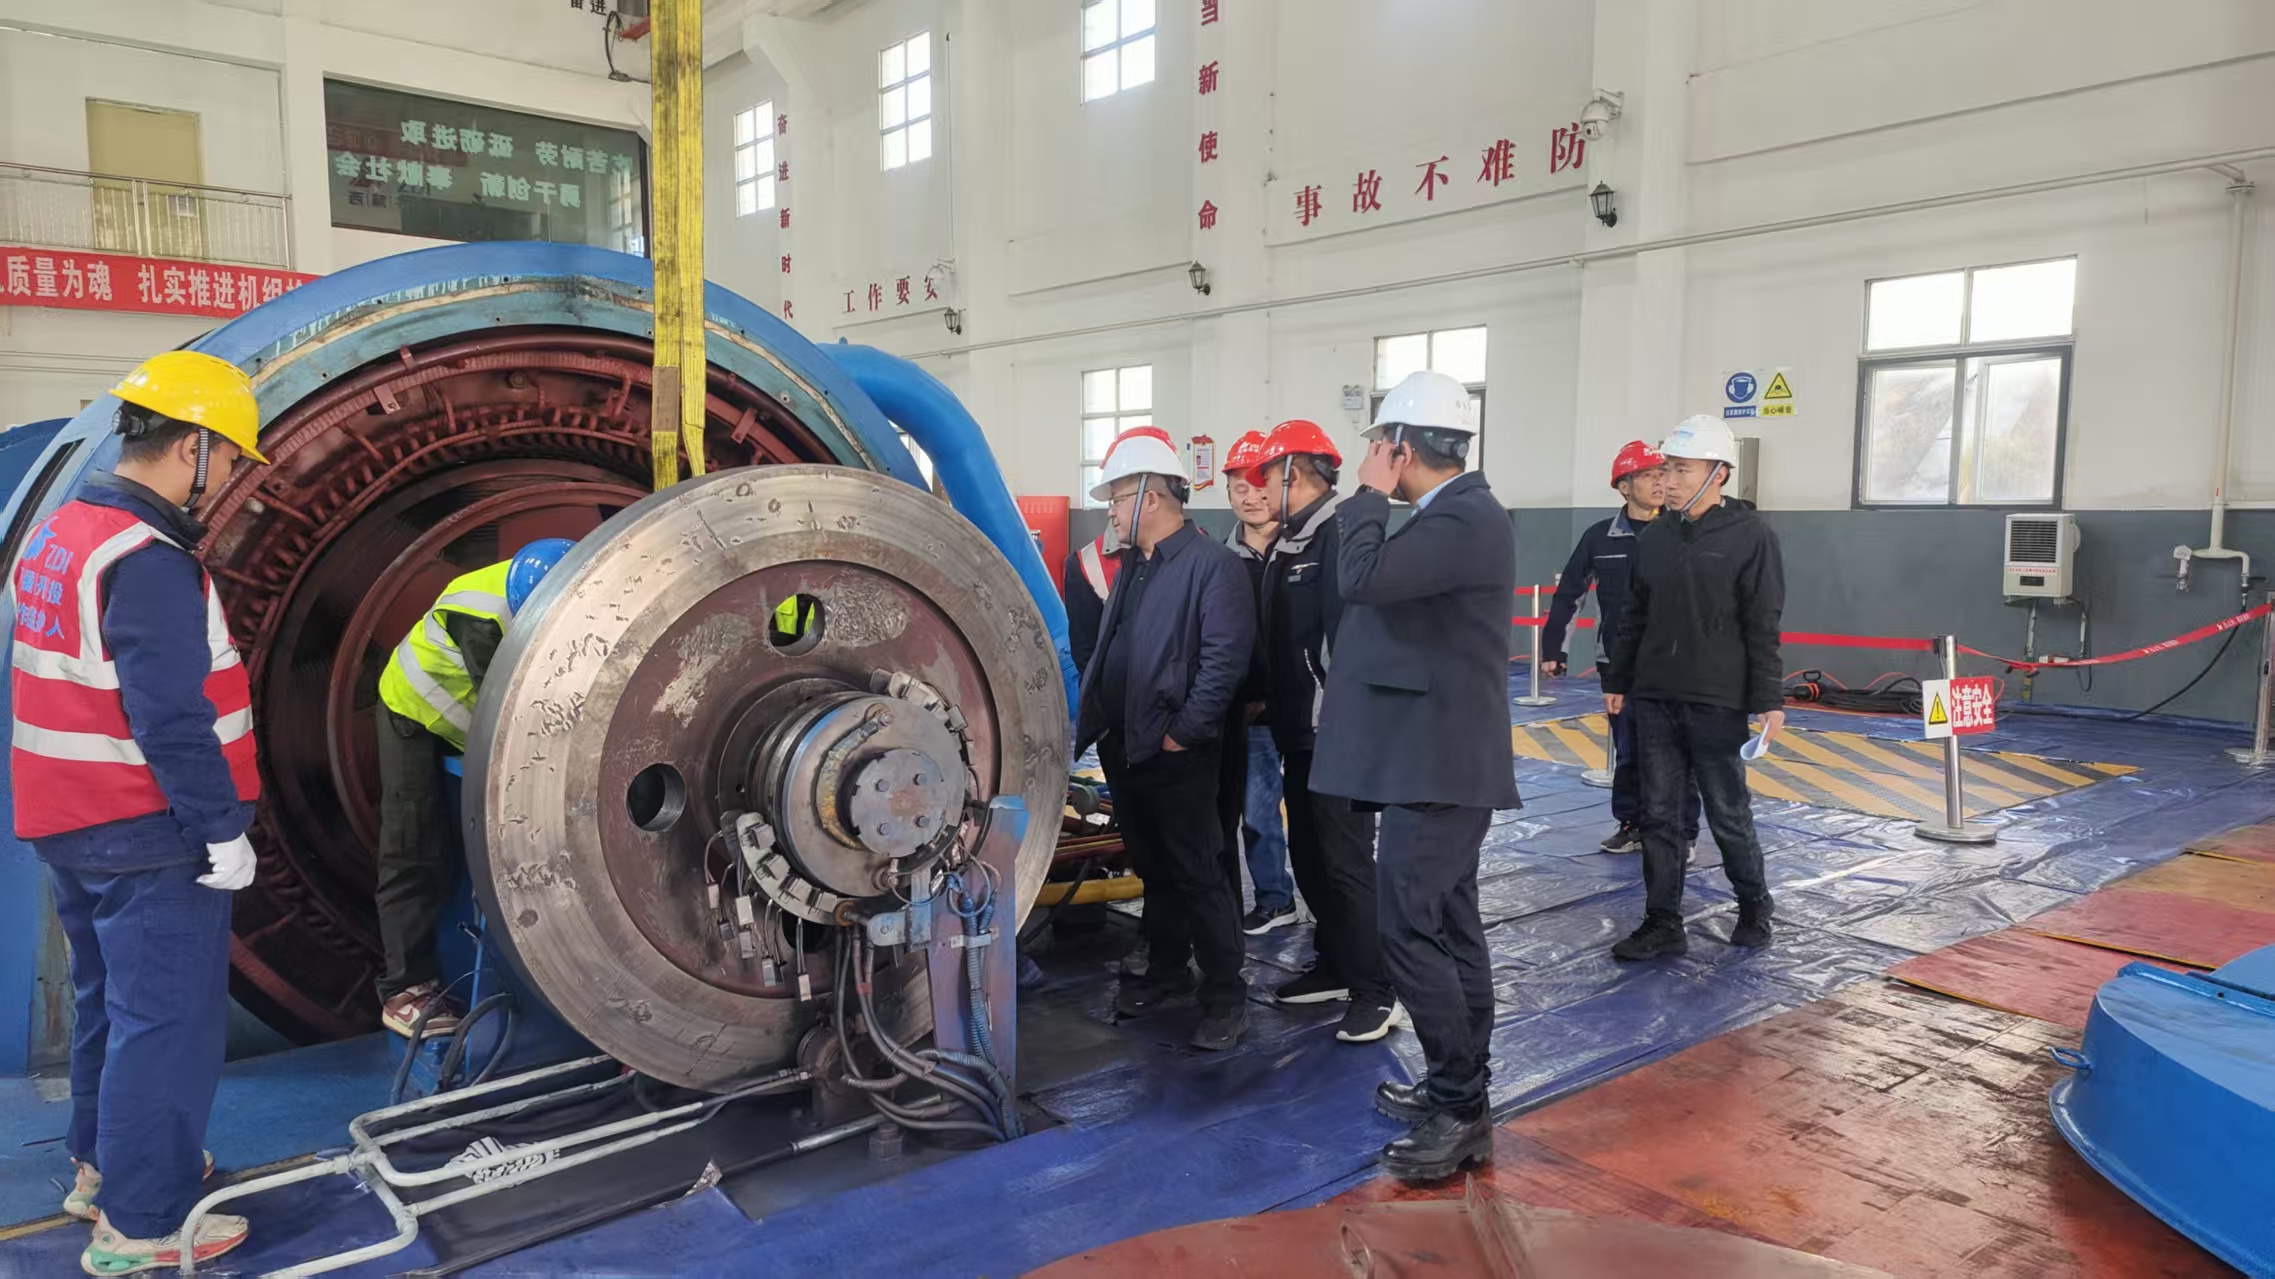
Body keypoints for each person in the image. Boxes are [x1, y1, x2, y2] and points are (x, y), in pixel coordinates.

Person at [12, 351, 269, 1273]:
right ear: (191, 446)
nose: (230, 476)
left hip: (70, 818)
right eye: (229, 457)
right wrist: (220, 827)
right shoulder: (149, 562)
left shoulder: (65, 532)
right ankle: (144, 1220)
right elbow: (171, 717)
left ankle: (101, 1166)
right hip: (148, 829)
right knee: (167, 1024)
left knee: (110, 1007)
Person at [1313, 371, 1519, 1182]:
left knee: (1408, 925)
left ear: (1400, 448)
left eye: (1378, 446)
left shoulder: (1463, 517)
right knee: (1449, 922)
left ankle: (1460, 1108)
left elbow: (1362, 578)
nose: (1369, 458)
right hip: (1432, 759)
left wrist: (1364, 498)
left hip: (1439, 764)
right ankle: (1458, 1083)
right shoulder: (1455, 516)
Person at [1074, 427, 1257, 1051]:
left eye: (1118, 499)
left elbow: (1223, 663)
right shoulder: (1136, 568)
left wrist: (1183, 734)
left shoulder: (1213, 567)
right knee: (1155, 868)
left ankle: (1226, 995)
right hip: (1126, 746)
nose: (1112, 512)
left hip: (1176, 752)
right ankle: (1169, 971)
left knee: (1197, 871)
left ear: (1151, 497)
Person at [372, 536, 575, 1037]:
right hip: (414, 713)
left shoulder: (567, 582)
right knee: (415, 848)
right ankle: (405, 989)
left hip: (467, 722)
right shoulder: (483, 617)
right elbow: (512, 715)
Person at [1602, 415, 1785, 962]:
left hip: (1716, 700)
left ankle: (1754, 907)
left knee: (1727, 812)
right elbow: (1634, 613)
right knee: (1659, 814)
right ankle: (1662, 922)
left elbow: (1762, 622)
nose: (1669, 481)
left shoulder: (1751, 536)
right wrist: (1619, 680)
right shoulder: (1656, 537)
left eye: (1682, 470)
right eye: (1666, 469)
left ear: (1719, 473)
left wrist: (1768, 700)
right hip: (1655, 696)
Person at [1244, 418, 1399, 1044]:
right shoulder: (1291, 542)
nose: (1259, 491)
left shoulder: (1339, 535)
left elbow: (1352, 641)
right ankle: (1336, 963)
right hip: (1298, 734)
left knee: (1346, 862)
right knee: (1310, 854)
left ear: (1296, 474)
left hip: (1338, 733)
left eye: (1267, 478)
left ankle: (1377, 989)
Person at [1541, 441, 1702, 859]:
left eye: (1663, 475)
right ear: (1624, 486)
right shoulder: (1600, 537)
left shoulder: (1684, 530)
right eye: (1649, 476)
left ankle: (1681, 832)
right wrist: (1554, 648)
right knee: (1628, 750)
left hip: (1675, 663)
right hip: (1618, 664)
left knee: (1679, 751)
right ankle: (1631, 824)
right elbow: (1570, 593)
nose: (1660, 483)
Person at [1220, 432, 1296, 936]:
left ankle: (1332, 905)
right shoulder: (1221, 559)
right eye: (1238, 488)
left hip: (1310, 709)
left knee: (1322, 818)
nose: (1250, 497)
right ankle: (1275, 898)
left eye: (1257, 485)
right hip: (1253, 713)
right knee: (1258, 814)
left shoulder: (1305, 549)